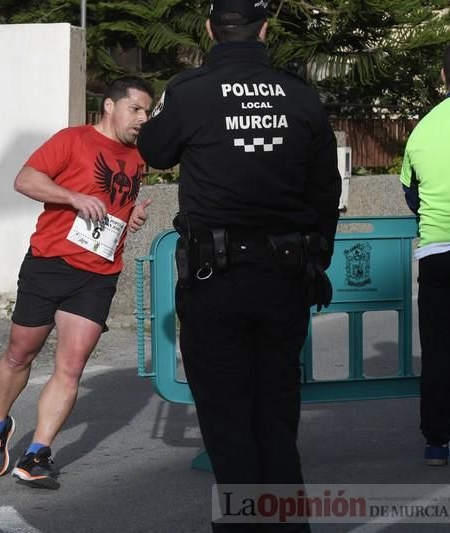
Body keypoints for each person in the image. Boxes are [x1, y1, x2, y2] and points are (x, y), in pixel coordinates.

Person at [137, 1, 340, 531]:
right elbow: (326, 189)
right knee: (276, 412)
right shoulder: (299, 95)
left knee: (227, 418)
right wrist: (317, 258)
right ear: (265, 29)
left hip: (216, 278)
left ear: (209, 29)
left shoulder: (191, 90)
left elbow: (155, 150)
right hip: (285, 275)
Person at [0, 77, 154, 489]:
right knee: (21, 354)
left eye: (147, 111)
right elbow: (24, 180)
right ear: (110, 106)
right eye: (136, 109)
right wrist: (72, 197)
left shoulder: (139, 155)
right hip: (49, 263)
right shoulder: (73, 140)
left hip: (98, 274)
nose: (143, 118)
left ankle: (37, 454)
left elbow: (114, 207)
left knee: (71, 367)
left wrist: (132, 216)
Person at [400, 39, 450, 467]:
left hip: (439, 253)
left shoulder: (423, 127)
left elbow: (411, 195)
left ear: (443, 77)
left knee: (440, 352)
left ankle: (437, 443)